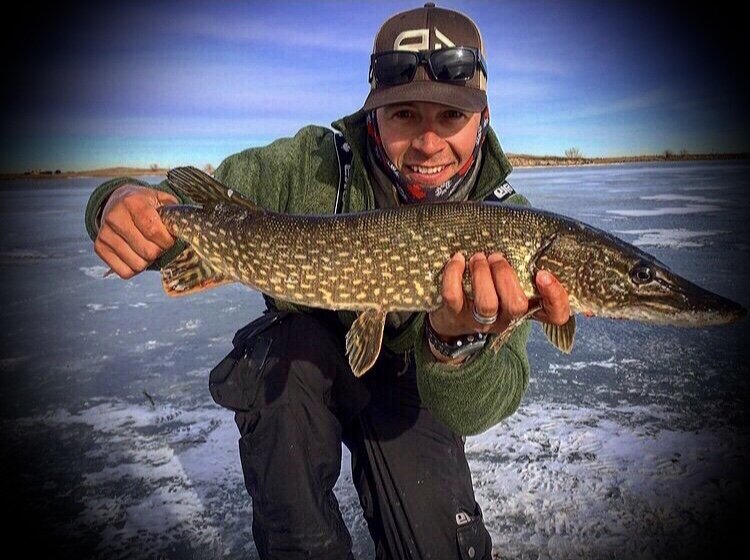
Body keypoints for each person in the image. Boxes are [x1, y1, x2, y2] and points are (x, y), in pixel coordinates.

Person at [84, 3, 570, 559]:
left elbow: (475, 412)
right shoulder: (310, 162)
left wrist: (455, 345)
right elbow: (165, 208)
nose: (429, 144)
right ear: (373, 114)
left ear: (482, 117)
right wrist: (115, 203)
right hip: (306, 367)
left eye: (450, 118)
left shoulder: (513, 227)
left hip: (413, 387)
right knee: (282, 368)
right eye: (405, 115)